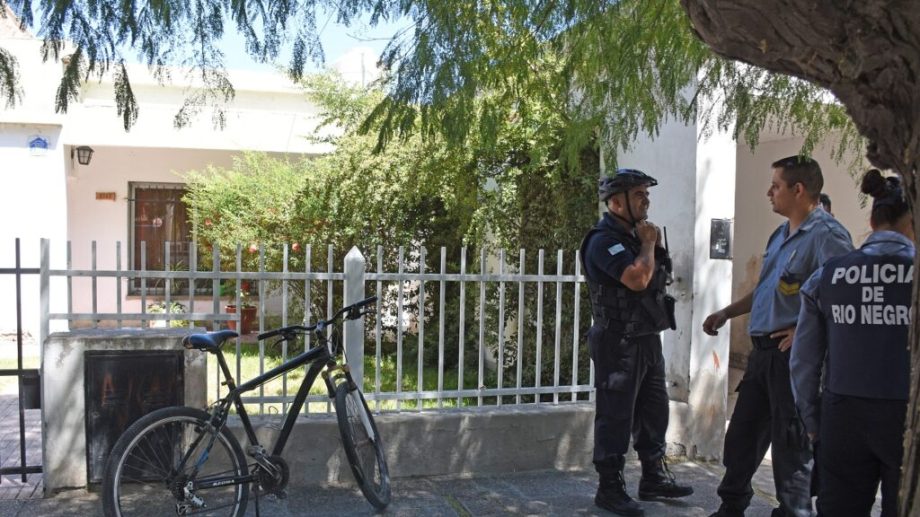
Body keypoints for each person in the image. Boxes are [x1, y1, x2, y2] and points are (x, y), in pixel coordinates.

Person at [702, 156, 853, 517]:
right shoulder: (780, 234)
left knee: (791, 446)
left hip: (792, 359)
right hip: (762, 356)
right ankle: (731, 506)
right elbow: (766, 290)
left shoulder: (828, 236)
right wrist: (727, 313)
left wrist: (804, 329)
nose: (769, 192)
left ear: (798, 190)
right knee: (742, 437)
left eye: (776, 186)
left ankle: (793, 511)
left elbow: (846, 293)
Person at [790, 169, 913, 516]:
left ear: (871, 222)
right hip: (907, 420)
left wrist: (813, 423)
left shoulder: (828, 275)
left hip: (842, 416)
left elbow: (803, 361)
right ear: (912, 220)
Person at [580, 168, 693, 516]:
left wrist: (648, 245)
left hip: (646, 339)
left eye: (647, 194)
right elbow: (637, 280)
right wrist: (647, 244)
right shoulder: (604, 241)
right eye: (639, 194)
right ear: (616, 202)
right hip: (618, 342)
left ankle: (653, 476)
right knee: (615, 416)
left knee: (654, 411)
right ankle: (609, 488)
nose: (646, 201)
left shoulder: (633, 237)